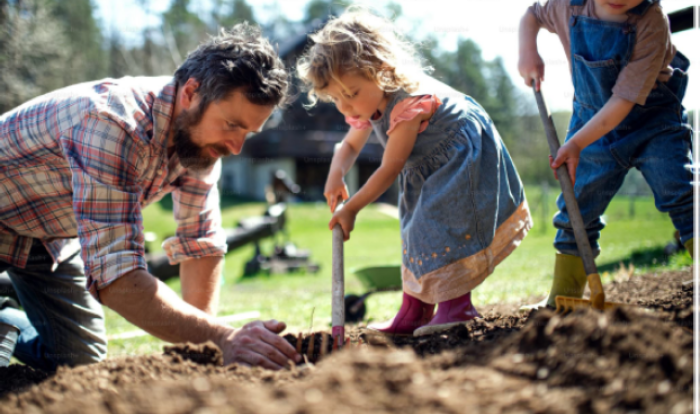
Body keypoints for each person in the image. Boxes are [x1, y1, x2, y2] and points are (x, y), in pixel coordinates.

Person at [0, 23, 301, 371]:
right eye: (232, 125)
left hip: (47, 235)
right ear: (191, 93)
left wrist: (201, 352)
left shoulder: (199, 141)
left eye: (248, 132)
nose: (235, 147)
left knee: (81, 363)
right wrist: (222, 337)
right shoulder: (111, 121)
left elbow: (200, 245)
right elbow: (117, 276)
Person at [297, 9, 532, 336]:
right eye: (337, 98)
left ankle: (456, 307)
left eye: (351, 93)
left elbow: (390, 168)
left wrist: (352, 208)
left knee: (442, 225)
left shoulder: (408, 104)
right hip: (425, 164)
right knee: (415, 231)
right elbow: (348, 147)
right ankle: (414, 311)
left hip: (458, 153)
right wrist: (336, 175)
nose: (346, 106)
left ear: (380, 70)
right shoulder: (369, 102)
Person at [518, 0, 693, 309]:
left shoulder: (651, 21)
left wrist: (575, 144)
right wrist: (528, 50)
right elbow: (532, 15)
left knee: (679, 190)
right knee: (577, 206)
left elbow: (623, 101)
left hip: (653, 124)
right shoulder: (567, 6)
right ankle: (565, 294)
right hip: (592, 123)